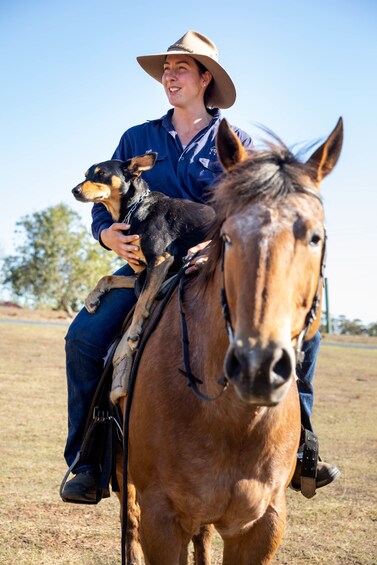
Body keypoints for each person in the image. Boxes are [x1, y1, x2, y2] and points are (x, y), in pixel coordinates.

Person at [61, 30, 339, 503]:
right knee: (83, 340)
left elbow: (251, 212)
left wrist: (215, 248)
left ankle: (303, 452)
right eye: (165, 69)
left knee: (304, 338)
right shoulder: (138, 137)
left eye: (181, 68)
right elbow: (105, 200)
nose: (169, 76)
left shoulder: (236, 141)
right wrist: (105, 234)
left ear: (205, 78)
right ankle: (86, 461)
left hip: (214, 266)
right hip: (144, 270)